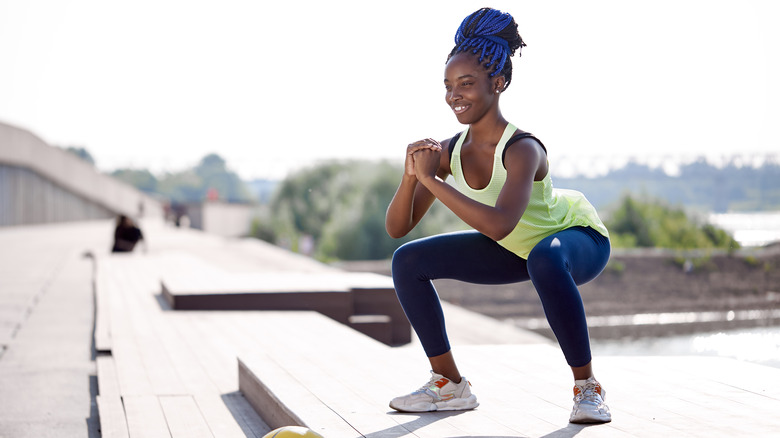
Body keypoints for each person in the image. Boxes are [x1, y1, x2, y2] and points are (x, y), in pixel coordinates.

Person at [385, 7, 612, 424]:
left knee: (545, 257)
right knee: (409, 261)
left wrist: (433, 181)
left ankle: (588, 388)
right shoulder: (451, 150)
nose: (455, 95)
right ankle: (449, 385)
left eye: (467, 84)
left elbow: (499, 223)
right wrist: (410, 176)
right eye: (449, 85)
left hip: (576, 239)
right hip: (516, 248)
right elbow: (397, 228)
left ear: (499, 82)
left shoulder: (523, 148)